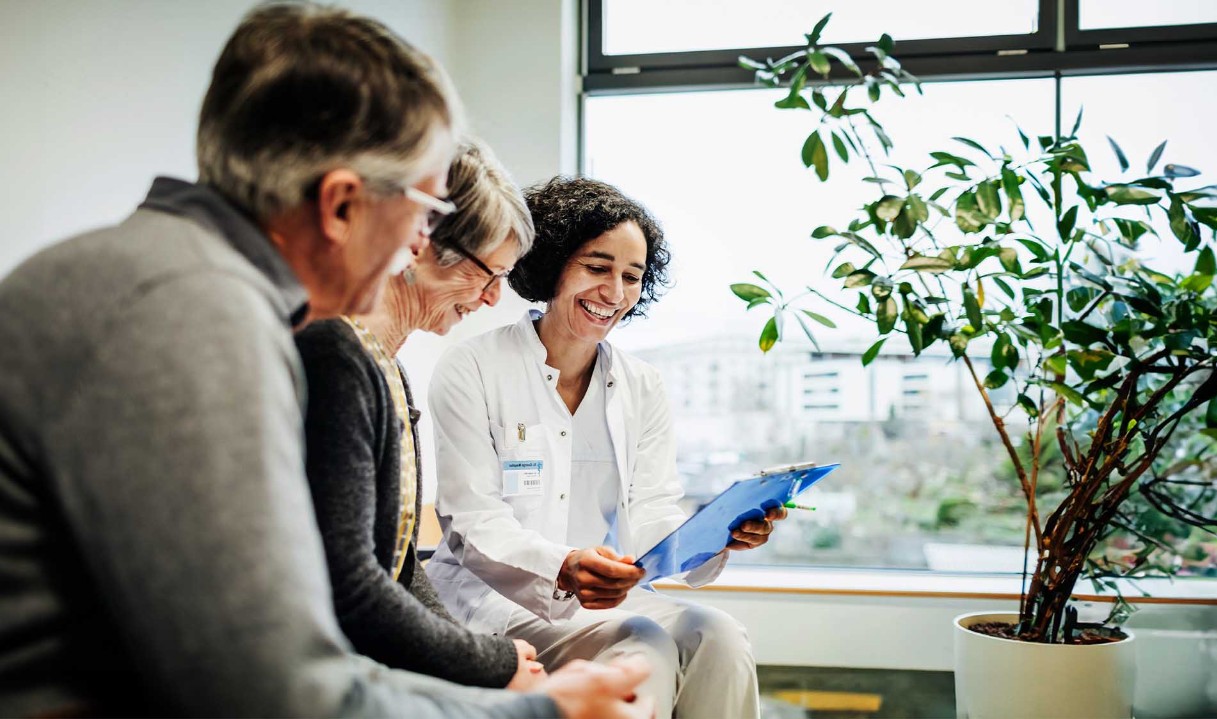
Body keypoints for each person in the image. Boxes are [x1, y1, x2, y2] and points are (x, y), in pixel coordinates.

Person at [0, 5, 649, 718]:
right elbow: (276, 690)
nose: (418, 244)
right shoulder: (194, 314)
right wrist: (545, 710)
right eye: (425, 210)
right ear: (341, 205)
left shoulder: (152, 274)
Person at [427, 176, 787, 719]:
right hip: (490, 601)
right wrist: (565, 565)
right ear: (551, 265)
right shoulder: (473, 367)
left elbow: (652, 514)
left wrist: (717, 537)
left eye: (632, 276)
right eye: (597, 268)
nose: (614, 293)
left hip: (604, 603)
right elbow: (471, 519)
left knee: (720, 634)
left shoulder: (643, 385)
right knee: (646, 647)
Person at [297, 140, 546, 691]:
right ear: (420, 243)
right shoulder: (333, 356)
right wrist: (492, 665)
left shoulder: (386, 366)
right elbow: (352, 586)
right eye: (488, 275)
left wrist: (488, 657)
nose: (491, 299)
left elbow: (402, 565)